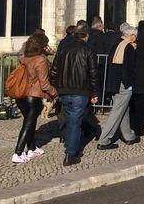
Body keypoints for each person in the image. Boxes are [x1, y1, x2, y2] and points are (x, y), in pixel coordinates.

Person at [50, 27, 99, 166]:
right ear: (86, 36)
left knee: (71, 119)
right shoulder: (88, 49)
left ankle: (70, 144)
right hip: (80, 91)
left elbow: (54, 70)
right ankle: (70, 153)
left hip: (64, 90)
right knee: (75, 121)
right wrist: (94, 93)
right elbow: (93, 73)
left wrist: (54, 89)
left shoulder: (63, 49)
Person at [12, 31, 58, 163]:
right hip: (33, 95)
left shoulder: (25, 57)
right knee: (28, 124)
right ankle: (18, 152)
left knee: (29, 122)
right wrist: (55, 93)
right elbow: (44, 84)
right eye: (45, 44)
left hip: (21, 94)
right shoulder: (41, 60)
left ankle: (32, 148)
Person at [97, 25, 139, 149]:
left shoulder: (116, 44)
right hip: (124, 84)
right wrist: (129, 85)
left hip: (114, 83)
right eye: (135, 37)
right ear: (131, 36)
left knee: (123, 110)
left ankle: (128, 136)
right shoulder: (129, 47)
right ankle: (104, 140)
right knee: (116, 112)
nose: (136, 39)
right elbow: (128, 68)